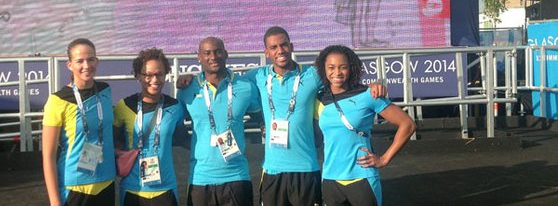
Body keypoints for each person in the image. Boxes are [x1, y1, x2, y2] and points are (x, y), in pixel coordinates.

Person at [245, 26, 388, 206]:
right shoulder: (257, 76)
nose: (280, 51)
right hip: (272, 171)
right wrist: (260, 121)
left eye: (284, 45)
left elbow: (342, 79)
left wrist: (375, 84)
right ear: (266, 52)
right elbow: (233, 89)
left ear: (292, 46)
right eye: (273, 47)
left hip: (306, 169)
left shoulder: (313, 74)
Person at [315, 45, 416, 206]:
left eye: (343, 67)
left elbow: (408, 124)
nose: (337, 73)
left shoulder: (368, 95)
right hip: (330, 179)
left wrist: (384, 159)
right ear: (324, 69)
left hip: (362, 177)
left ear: (351, 68)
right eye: (331, 68)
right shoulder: (318, 99)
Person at [177, 37, 262, 206]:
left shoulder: (245, 86)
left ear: (226, 54)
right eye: (207, 53)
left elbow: (261, 118)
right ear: (199, 57)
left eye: (217, 51)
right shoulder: (187, 89)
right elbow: (177, 129)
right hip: (201, 179)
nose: (213, 57)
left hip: (237, 177)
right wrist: (200, 148)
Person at [42, 38, 116, 206]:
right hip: (75, 187)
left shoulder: (105, 90)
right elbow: (48, 156)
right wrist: (54, 202)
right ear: (69, 65)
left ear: (97, 61)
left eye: (90, 59)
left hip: (106, 183)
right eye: (80, 61)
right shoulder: (57, 101)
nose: (86, 65)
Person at [113, 48, 187, 206]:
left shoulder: (175, 107)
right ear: (138, 76)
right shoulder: (124, 106)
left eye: (159, 74)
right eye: (148, 74)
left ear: (166, 74)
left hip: (165, 190)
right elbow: (113, 142)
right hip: (133, 190)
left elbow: (183, 138)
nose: (154, 79)